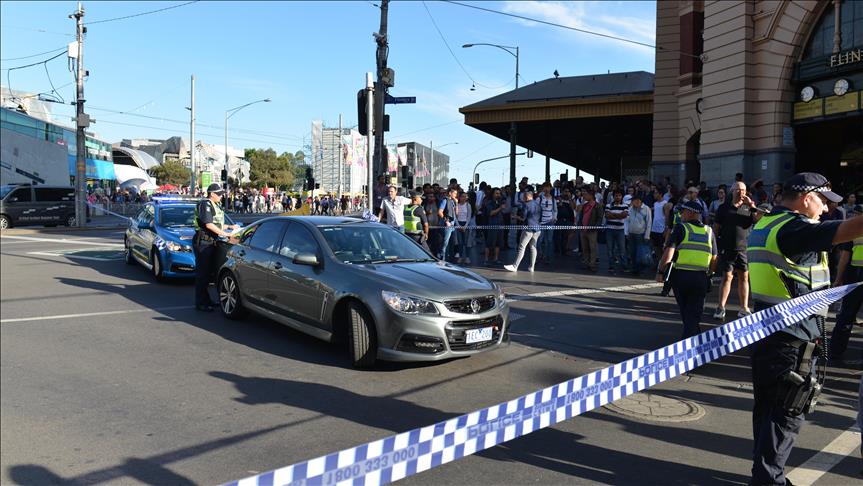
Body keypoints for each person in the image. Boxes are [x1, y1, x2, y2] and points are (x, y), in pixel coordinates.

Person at [746, 173, 863, 486]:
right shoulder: (795, 229)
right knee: (786, 413)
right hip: (792, 339)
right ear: (806, 197)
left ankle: (764, 473)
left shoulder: (767, 224)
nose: (826, 209)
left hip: (767, 333)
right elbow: (849, 229)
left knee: (768, 410)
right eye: (823, 201)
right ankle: (768, 480)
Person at [656, 200, 718, 338]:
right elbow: (714, 258)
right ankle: (694, 339)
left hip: (681, 276)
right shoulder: (709, 231)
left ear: (691, 213)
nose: (681, 215)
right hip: (701, 277)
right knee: (694, 313)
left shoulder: (681, 228)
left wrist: (660, 271)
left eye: (683, 212)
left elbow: (668, 253)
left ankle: (690, 342)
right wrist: (710, 274)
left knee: (686, 311)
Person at [712, 181, 758, 320]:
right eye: (738, 189)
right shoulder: (724, 208)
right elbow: (716, 228)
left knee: (744, 277)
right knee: (727, 277)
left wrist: (752, 206)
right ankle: (721, 307)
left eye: (743, 190)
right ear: (732, 191)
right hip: (728, 248)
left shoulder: (748, 207)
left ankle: (744, 308)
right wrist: (715, 247)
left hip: (744, 249)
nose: (741, 192)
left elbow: (758, 221)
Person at [193, 184, 239, 312]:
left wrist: (230, 227)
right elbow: (208, 224)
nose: (221, 196)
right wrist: (226, 234)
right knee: (202, 274)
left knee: (208, 273)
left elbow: (216, 224)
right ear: (212, 194)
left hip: (211, 241)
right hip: (203, 242)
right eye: (219, 194)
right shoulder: (205, 204)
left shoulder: (215, 205)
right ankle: (201, 303)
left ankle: (207, 300)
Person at [828, 204, 863, 362]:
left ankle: (835, 352)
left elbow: (844, 257)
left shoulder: (853, 232)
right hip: (855, 275)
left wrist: (838, 279)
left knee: (847, 315)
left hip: (855, 276)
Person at [504, 187, 541, 273]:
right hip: (537, 229)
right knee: (533, 247)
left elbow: (523, 218)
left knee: (521, 247)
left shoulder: (526, 205)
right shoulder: (538, 204)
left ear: (527, 197)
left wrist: (515, 216)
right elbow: (540, 217)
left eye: (524, 197)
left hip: (528, 228)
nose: (523, 198)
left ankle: (515, 266)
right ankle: (532, 267)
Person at [626, 194, 652, 276]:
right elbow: (627, 221)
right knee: (632, 252)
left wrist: (647, 235)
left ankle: (642, 270)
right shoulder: (630, 209)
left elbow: (649, 223)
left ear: (638, 201)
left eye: (633, 200)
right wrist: (626, 233)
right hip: (631, 234)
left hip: (641, 234)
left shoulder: (646, 209)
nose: (632, 202)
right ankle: (635, 268)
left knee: (641, 253)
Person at [605, 190, 629, 274]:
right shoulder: (608, 205)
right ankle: (611, 266)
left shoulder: (625, 205)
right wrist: (619, 216)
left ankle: (624, 266)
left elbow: (624, 215)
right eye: (616, 195)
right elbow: (607, 216)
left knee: (622, 250)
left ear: (622, 197)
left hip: (620, 230)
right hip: (609, 230)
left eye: (619, 195)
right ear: (613, 196)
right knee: (610, 250)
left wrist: (613, 215)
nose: (617, 197)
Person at [579, 190, 602, 272]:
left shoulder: (597, 206)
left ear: (591, 196)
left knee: (592, 248)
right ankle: (586, 262)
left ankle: (592, 264)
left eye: (586, 195)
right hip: (583, 229)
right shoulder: (585, 205)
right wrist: (580, 226)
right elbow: (581, 216)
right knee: (585, 248)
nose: (584, 196)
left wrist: (595, 227)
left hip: (592, 230)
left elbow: (600, 217)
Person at [483, 188, 505, 265]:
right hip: (492, 225)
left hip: (500, 225)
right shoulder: (490, 203)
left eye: (499, 193)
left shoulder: (500, 202)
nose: (498, 195)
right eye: (496, 193)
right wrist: (500, 208)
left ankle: (496, 258)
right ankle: (486, 259)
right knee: (489, 243)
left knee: (498, 243)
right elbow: (491, 213)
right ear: (493, 194)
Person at [437, 188, 459, 261]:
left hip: (453, 224)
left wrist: (456, 204)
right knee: (445, 243)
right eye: (454, 193)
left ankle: (449, 258)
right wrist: (446, 221)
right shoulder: (445, 200)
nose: (455, 195)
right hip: (447, 224)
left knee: (452, 242)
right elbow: (440, 212)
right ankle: (443, 257)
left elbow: (456, 214)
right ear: (450, 193)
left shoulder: (452, 201)